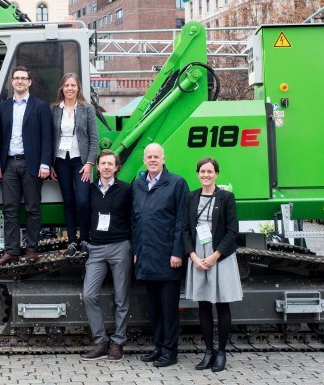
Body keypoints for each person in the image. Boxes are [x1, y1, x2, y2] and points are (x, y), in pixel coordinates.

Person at [183, 157, 242, 372]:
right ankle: (208, 351)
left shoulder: (226, 197)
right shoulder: (191, 197)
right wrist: (193, 256)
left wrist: (215, 255)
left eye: (210, 171)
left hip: (220, 256)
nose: (206, 175)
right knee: (204, 305)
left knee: (222, 304)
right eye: (202, 171)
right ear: (197, 173)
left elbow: (232, 230)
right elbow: (185, 229)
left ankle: (222, 353)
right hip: (198, 256)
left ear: (216, 173)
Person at [132, 142, 188, 367]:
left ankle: (170, 351)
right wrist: (137, 251)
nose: (153, 160)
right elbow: (134, 222)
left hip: (168, 257)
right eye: (149, 157)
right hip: (146, 256)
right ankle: (158, 347)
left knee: (168, 308)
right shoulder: (138, 185)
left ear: (164, 159)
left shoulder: (176, 183)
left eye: (157, 156)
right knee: (153, 308)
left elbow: (181, 221)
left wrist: (177, 252)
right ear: (144, 160)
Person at [0, 66, 53, 265]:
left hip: (32, 163)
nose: (19, 81)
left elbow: (47, 137)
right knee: (10, 209)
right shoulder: (3, 107)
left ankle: (32, 249)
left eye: (23, 78)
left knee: (33, 208)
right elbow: (0, 138)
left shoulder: (41, 106)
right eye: (16, 78)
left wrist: (45, 163)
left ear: (29, 82)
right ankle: (12, 251)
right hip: (9, 164)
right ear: (12, 82)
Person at [81, 150, 133, 361]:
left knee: (121, 298)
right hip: (96, 248)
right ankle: (101, 341)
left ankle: (118, 342)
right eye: (103, 163)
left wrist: (133, 246)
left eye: (111, 164)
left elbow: (133, 218)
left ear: (116, 167)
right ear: (98, 166)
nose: (107, 167)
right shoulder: (90, 189)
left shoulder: (126, 190)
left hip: (120, 246)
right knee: (89, 295)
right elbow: (84, 215)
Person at [50, 72, 99, 256]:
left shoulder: (87, 109)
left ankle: (85, 238)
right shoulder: (54, 109)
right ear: (62, 88)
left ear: (78, 88)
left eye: (73, 85)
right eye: (66, 85)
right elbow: (51, 137)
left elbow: (94, 139)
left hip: (81, 161)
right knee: (68, 201)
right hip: (61, 160)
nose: (70, 88)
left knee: (83, 201)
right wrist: (51, 164)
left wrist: (89, 163)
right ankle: (72, 241)